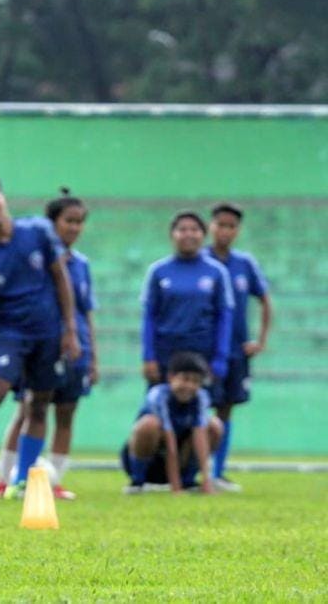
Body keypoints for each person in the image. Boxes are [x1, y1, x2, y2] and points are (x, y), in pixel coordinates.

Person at [0, 179, 80, 501]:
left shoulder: (37, 231)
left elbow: (60, 279)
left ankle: (21, 481)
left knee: (38, 405)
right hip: (12, 335)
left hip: (49, 334)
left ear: (3, 199)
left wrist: (70, 329)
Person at [0, 188, 98, 500]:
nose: (73, 228)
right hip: (39, 341)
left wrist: (92, 358)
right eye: (68, 221)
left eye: (79, 222)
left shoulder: (81, 265)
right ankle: (4, 479)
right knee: (27, 409)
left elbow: (85, 312)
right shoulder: (36, 254)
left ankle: (53, 480)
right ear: (52, 224)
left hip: (74, 347)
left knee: (65, 412)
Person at [204, 202, 272, 493]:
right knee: (197, 408)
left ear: (237, 230)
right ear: (211, 226)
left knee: (226, 409)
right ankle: (191, 471)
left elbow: (265, 300)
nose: (225, 231)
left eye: (231, 226)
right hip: (204, 352)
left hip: (236, 352)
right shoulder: (201, 260)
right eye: (220, 224)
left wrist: (260, 340)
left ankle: (217, 473)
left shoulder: (245, 264)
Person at [141, 210, 234, 387]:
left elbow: (224, 316)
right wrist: (148, 357)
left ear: (203, 235)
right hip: (166, 351)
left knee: (201, 408)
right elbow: (149, 316)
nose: (188, 234)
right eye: (182, 230)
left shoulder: (216, 272)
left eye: (194, 229)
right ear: (172, 235)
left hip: (202, 350)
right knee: (159, 408)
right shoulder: (158, 271)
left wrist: (220, 357)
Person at [121, 351, 222, 494]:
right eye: (185, 379)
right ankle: (138, 481)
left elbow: (200, 437)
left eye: (195, 381)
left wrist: (206, 480)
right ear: (170, 378)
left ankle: (189, 481)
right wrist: (176, 488)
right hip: (155, 456)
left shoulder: (201, 397)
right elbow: (170, 444)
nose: (189, 386)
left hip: (181, 457)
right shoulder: (159, 396)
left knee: (214, 426)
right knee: (149, 424)